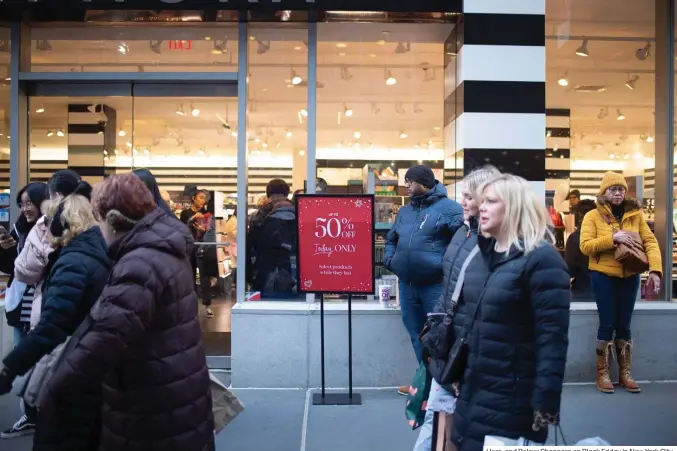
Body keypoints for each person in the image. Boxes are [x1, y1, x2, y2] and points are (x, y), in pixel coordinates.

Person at [44, 173, 214, 451]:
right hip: (175, 390)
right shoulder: (164, 246)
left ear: (111, 219)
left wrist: (55, 390)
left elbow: (106, 339)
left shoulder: (139, 262)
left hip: (149, 405)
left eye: (96, 220)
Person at [450, 174, 570, 451]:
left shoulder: (542, 259)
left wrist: (545, 401)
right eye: (482, 201)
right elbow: (469, 324)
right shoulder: (481, 258)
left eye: (491, 201)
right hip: (473, 393)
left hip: (514, 399)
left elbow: (552, 338)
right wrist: (457, 373)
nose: (481, 207)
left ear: (514, 206)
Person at [0, 181, 112, 451]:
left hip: (72, 364)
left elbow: (53, 325)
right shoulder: (96, 252)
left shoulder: (73, 261)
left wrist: (10, 369)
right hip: (90, 361)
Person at [414, 166, 500, 451]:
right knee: (437, 422)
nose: (462, 202)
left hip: (467, 348)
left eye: (468, 196)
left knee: (453, 427)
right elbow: (451, 284)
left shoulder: (497, 244)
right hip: (449, 340)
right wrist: (436, 324)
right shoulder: (463, 232)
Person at [579, 171, 662, 394]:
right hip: (602, 275)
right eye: (613, 189)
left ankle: (625, 373)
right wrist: (612, 239)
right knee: (607, 323)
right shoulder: (592, 217)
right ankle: (602, 373)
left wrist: (655, 270)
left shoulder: (635, 215)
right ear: (604, 192)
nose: (617, 193)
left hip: (630, 276)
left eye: (621, 189)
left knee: (624, 325)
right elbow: (585, 246)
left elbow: (650, 243)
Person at [384, 165, 463, 395]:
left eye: (410, 181)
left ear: (424, 182)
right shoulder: (405, 212)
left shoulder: (450, 209)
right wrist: (391, 260)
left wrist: (443, 267)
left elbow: (461, 243)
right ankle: (425, 385)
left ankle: (443, 387)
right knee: (415, 334)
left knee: (439, 336)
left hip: (435, 286)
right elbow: (391, 239)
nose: (406, 185)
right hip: (407, 286)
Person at [0, 182, 48, 439]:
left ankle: (38, 414)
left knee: (39, 363)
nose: (25, 208)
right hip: (21, 305)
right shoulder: (19, 229)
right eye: (22, 203)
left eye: (30, 202)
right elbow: (13, 270)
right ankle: (31, 415)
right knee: (24, 359)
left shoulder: (53, 229)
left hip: (43, 306)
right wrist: (5, 250)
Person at [247, 179, 297, 298]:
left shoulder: (258, 215)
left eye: (278, 196)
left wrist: (250, 272)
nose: (276, 199)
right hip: (290, 264)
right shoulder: (297, 212)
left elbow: (251, 243)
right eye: (274, 196)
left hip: (264, 265)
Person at [180, 187, 215, 318]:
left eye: (204, 198)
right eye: (200, 198)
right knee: (190, 276)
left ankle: (207, 305)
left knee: (204, 277)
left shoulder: (207, 213)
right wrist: (192, 219)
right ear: (193, 198)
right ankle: (191, 305)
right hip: (189, 247)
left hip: (203, 248)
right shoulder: (185, 213)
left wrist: (204, 229)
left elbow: (211, 231)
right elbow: (181, 228)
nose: (203, 201)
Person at [564, 199, 596, 299]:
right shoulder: (605, 236)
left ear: (580, 215)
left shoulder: (575, 238)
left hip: (582, 289)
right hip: (604, 289)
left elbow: (569, 269)